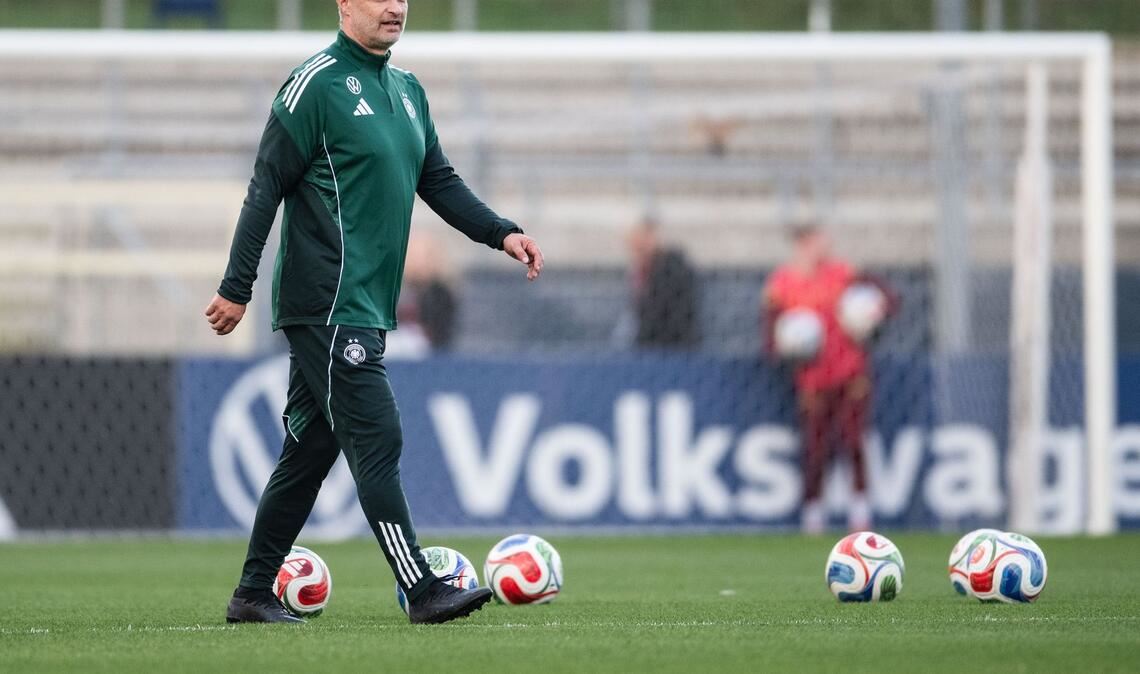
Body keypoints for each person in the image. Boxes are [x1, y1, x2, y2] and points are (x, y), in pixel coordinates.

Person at [204, 0, 543, 625]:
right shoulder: (314, 86)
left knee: (309, 450)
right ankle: (421, 589)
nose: (395, 7)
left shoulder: (409, 91)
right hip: (326, 300)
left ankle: (253, 594)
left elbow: (436, 179)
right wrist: (236, 285)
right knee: (377, 432)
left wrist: (500, 233)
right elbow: (265, 188)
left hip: (366, 302)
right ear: (343, 5)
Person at [762, 223, 895, 534]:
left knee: (853, 441)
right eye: (817, 241)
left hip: (850, 372)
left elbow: (888, 299)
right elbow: (769, 330)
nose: (824, 247)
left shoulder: (843, 274)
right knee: (816, 447)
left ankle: (860, 513)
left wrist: (874, 316)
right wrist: (784, 348)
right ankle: (813, 513)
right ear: (803, 243)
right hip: (812, 378)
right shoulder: (782, 282)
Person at [626, 217, 699, 349]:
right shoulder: (645, 271)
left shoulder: (671, 269)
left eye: (639, 245)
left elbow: (667, 314)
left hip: (673, 347)